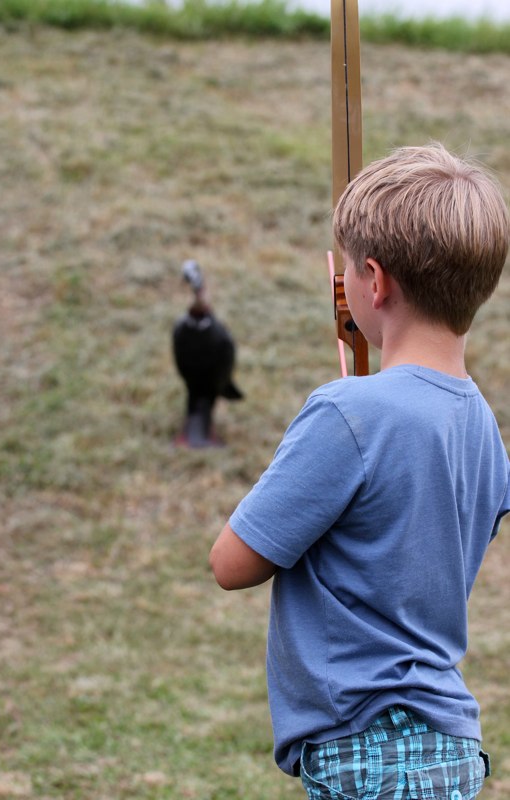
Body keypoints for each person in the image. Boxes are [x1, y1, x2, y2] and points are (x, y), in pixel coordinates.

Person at [209, 143, 510, 799]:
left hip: (367, 745)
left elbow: (232, 563)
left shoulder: (348, 414)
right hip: (451, 748)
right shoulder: (484, 427)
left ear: (373, 282)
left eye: (347, 268)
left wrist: (338, 423)